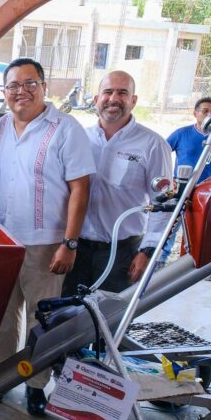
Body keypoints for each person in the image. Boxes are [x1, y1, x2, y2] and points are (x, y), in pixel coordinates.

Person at [0, 58, 94, 416]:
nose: (21, 91)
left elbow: (80, 187)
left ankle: (36, 384)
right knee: (2, 319)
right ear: (4, 92)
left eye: (30, 83)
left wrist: (70, 242)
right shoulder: (2, 126)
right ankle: (4, 378)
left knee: (41, 320)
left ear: (44, 86)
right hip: (4, 240)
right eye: (13, 85)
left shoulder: (66, 128)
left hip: (47, 243)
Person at [62, 70, 171, 298]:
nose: (113, 99)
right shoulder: (79, 138)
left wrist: (148, 251)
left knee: (109, 322)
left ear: (133, 100)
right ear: (96, 99)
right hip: (76, 249)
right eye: (107, 92)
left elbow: (163, 204)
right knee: (67, 321)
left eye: (122, 93)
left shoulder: (152, 144)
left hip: (121, 253)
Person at [158, 97, 211, 265]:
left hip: (207, 194)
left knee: (201, 232)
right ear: (195, 113)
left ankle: (193, 265)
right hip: (181, 189)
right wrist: (168, 180)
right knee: (170, 228)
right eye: (205, 111)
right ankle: (159, 263)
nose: (210, 114)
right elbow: (161, 153)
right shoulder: (182, 133)